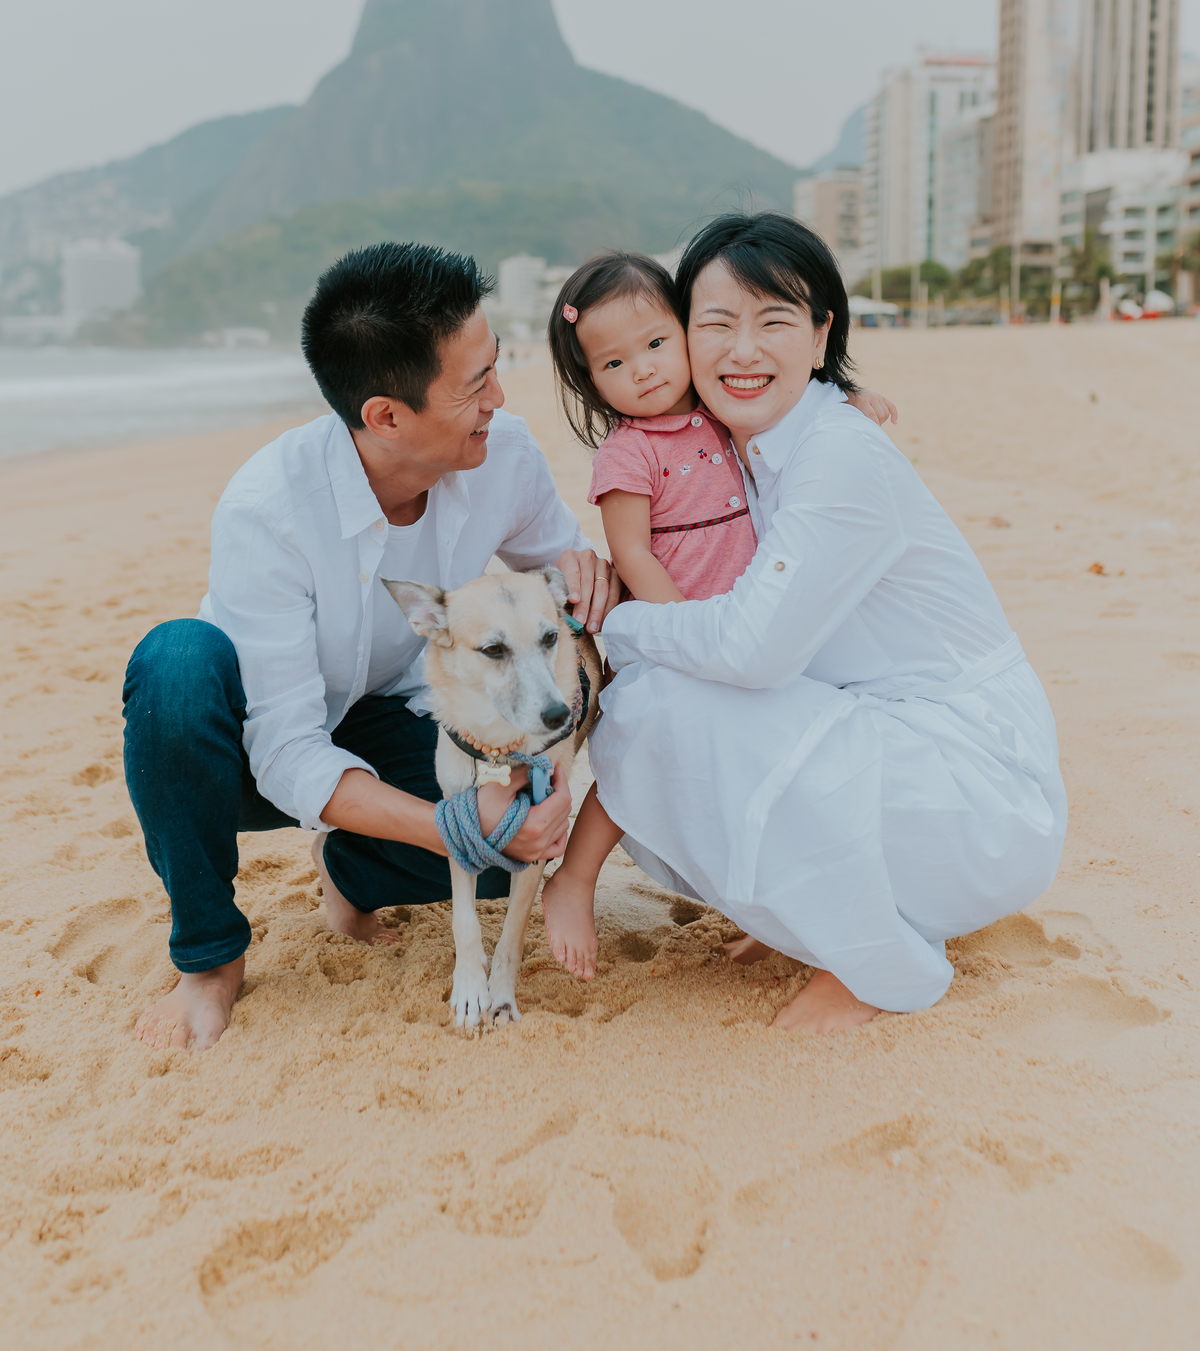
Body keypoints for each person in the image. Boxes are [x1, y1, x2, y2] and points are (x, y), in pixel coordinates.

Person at [122, 241, 620, 1052]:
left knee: (501, 862)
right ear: (387, 415)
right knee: (176, 663)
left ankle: (348, 870)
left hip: (392, 717)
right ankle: (210, 959)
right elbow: (286, 751)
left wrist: (579, 657)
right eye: (475, 384)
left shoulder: (505, 456)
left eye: (496, 366)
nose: (499, 396)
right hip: (243, 750)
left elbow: (567, 594)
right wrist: (454, 821)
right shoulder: (268, 507)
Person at [587, 211, 1068, 1033]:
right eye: (717, 324)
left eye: (775, 321)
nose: (743, 350)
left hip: (976, 795)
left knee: (659, 699)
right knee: (676, 700)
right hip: (914, 764)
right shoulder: (753, 447)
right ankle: (808, 919)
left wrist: (624, 631)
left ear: (820, 337)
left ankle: (872, 962)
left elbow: (752, 650)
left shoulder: (837, 452)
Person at [537, 248, 896, 978]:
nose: (641, 369)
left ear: (683, 331)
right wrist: (683, 632)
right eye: (612, 364)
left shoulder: (717, 412)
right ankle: (572, 877)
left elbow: (794, 419)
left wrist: (848, 401)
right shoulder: (628, 453)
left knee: (750, 773)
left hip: (746, 626)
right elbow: (631, 553)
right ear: (590, 382)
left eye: (656, 344)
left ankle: (766, 909)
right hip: (676, 633)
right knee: (644, 748)